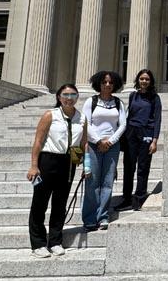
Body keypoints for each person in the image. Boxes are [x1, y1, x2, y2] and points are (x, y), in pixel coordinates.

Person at [27, 84, 87, 258]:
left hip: (69, 163)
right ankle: (38, 243)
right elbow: (38, 141)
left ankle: (55, 241)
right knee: (40, 203)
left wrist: (86, 165)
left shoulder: (82, 118)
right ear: (59, 97)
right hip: (48, 160)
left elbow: (83, 144)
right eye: (65, 94)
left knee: (60, 204)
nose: (69, 98)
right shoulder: (50, 115)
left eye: (73, 94)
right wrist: (34, 165)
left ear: (77, 97)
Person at [81, 71, 127, 231]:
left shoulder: (118, 103)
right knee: (92, 181)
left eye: (110, 82)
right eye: (104, 82)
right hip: (94, 145)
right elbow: (85, 123)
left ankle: (103, 216)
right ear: (98, 84)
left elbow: (122, 125)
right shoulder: (90, 102)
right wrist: (99, 141)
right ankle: (89, 218)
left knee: (107, 183)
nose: (107, 85)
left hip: (112, 146)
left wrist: (111, 141)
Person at [115, 69, 162, 212]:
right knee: (129, 167)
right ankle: (127, 198)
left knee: (143, 167)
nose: (144, 81)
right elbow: (128, 116)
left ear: (151, 81)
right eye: (142, 79)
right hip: (131, 133)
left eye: (147, 79)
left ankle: (140, 196)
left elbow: (157, 119)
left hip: (146, 133)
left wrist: (154, 140)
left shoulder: (155, 98)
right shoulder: (133, 96)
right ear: (138, 80)